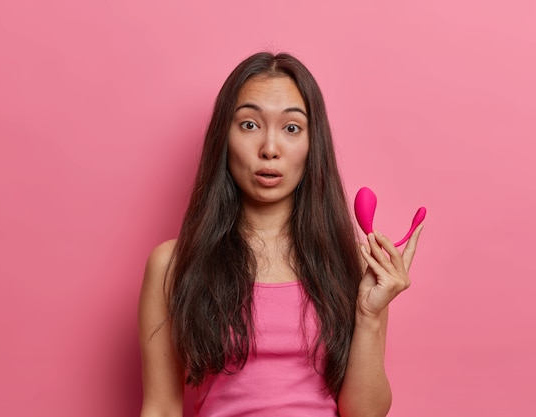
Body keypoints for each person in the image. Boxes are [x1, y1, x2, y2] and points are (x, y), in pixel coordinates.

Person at [138, 51, 423, 417]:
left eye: (291, 128)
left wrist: (369, 314)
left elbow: (365, 413)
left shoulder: (355, 263)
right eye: (249, 125)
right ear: (223, 138)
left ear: (312, 144)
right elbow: (160, 408)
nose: (270, 150)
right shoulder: (171, 265)